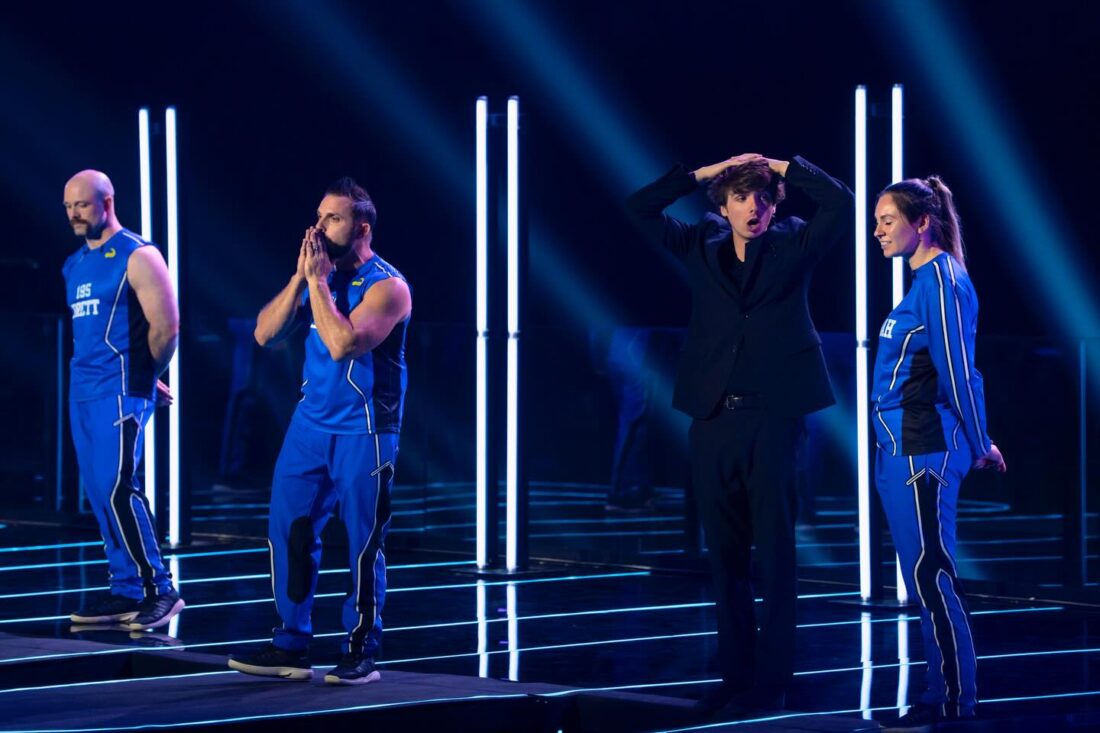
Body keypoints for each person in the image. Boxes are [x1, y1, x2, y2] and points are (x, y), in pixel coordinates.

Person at [626, 153, 852, 719]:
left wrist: (780, 165)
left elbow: (840, 203)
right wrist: (709, 171)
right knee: (723, 556)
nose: (754, 207)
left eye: (764, 198)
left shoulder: (794, 242)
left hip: (776, 419)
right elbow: (639, 208)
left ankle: (772, 683)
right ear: (723, 206)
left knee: (774, 555)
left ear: (775, 206)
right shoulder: (700, 243)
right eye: (742, 197)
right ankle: (735, 676)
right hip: (713, 420)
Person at [229, 177, 411, 685]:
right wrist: (300, 278)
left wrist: (317, 285)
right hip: (309, 425)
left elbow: (343, 344)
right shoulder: (316, 277)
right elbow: (263, 333)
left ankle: (361, 647)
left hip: (365, 429)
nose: (319, 227)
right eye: (319, 216)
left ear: (362, 227)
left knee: (363, 542)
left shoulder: (388, 286)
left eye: (333, 218)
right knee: (288, 530)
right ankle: (290, 643)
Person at [871, 177, 1005, 730]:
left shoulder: (943, 281)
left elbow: (958, 371)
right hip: (901, 448)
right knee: (923, 576)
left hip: (925, 450)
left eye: (887, 221)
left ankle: (953, 701)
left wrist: (980, 440)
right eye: (877, 222)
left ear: (921, 222)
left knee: (932, 574)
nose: (878, 232)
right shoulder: (925, 281)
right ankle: (940, 696)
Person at [62, 170, 184, 630]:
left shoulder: (138, 254)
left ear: (107, 202)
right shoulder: (74, 265)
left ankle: (160, 589)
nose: (74, 214)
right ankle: (126, 588)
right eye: (69, 207)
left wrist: (146, 375)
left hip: (119, 389)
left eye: (82, 205)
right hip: (83, 391)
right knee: (99, 492)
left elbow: (166, 326)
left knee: (118, 487)